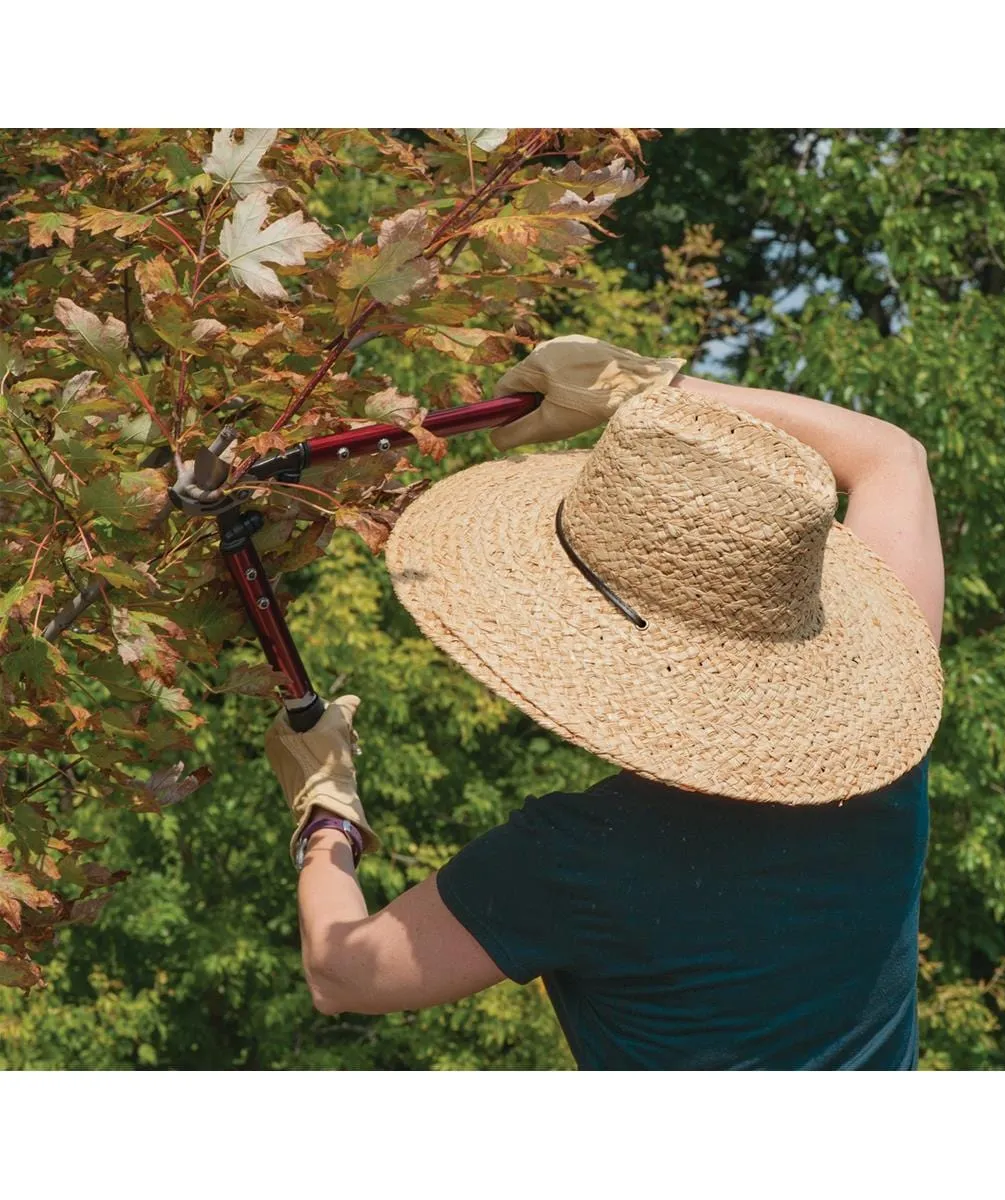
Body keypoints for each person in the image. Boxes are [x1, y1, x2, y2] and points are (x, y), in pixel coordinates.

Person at [264, 335, 945, 1070]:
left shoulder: (582, 860)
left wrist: (325, 810)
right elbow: (892, 457)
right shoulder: (877, 760)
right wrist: (644, 392)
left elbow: (345, 972)